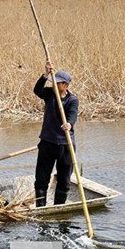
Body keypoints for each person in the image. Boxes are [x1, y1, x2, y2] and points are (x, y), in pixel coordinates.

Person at [33, 61, 79, 207]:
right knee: (41, 179)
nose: (54, 85)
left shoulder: (72, 100)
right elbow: (37, 90)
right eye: (54, 82)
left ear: (66, 85)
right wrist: (45, 74)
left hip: (66, 145)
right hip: (47, 142)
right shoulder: (49, 94)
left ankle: (59, 207)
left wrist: (69, 124)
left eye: (58, 83)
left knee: (64, 181)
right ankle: (41, 208)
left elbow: (73, 114)